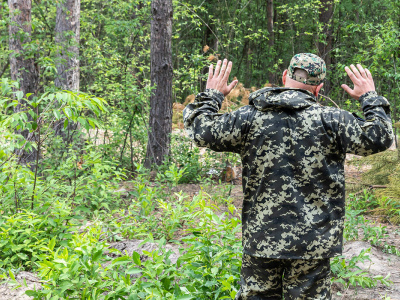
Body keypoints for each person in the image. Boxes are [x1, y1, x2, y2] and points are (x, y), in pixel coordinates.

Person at [183, 53, 394, 299]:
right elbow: (380, 136)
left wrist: (212, 95)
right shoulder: (333, 120)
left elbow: (200, 129)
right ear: (319, 88)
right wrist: (369, 97)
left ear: (285, 76)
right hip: (313, 244)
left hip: (262, 239)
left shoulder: (250, 117)